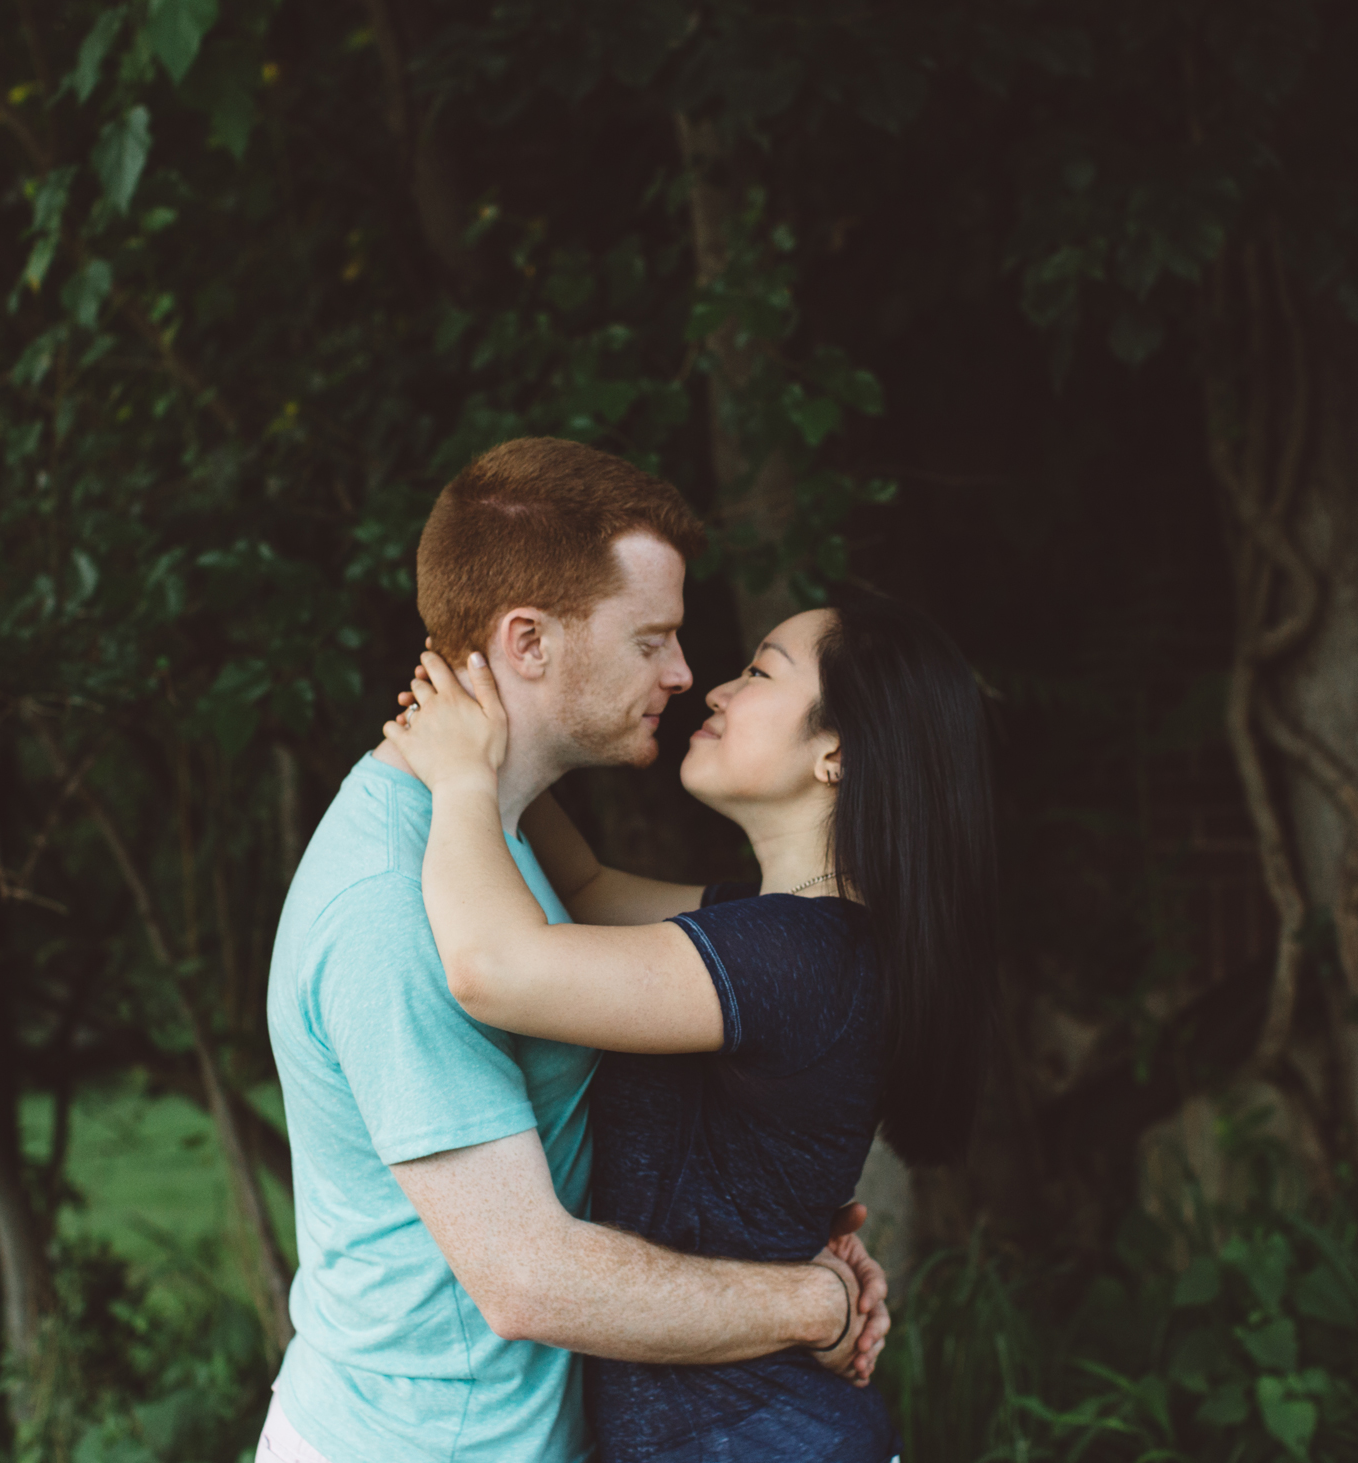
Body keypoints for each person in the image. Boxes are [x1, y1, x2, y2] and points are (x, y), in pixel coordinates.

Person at [257, 438, 888, 1463]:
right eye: (651, 639)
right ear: (529, 642)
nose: (685, 675)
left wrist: (772, 1209)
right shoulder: (397, 904)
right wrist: (809, 1297)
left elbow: (610, 919)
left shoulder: (495, 850)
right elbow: (526, 1279)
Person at [384, 592, 999, 1461]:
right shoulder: (792, 934)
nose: (715, 689)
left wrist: (458, 779)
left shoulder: (791, 957)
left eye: (758, 672)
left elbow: (495, 967)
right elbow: (590, 891)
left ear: (836, 753)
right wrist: (497, 732)